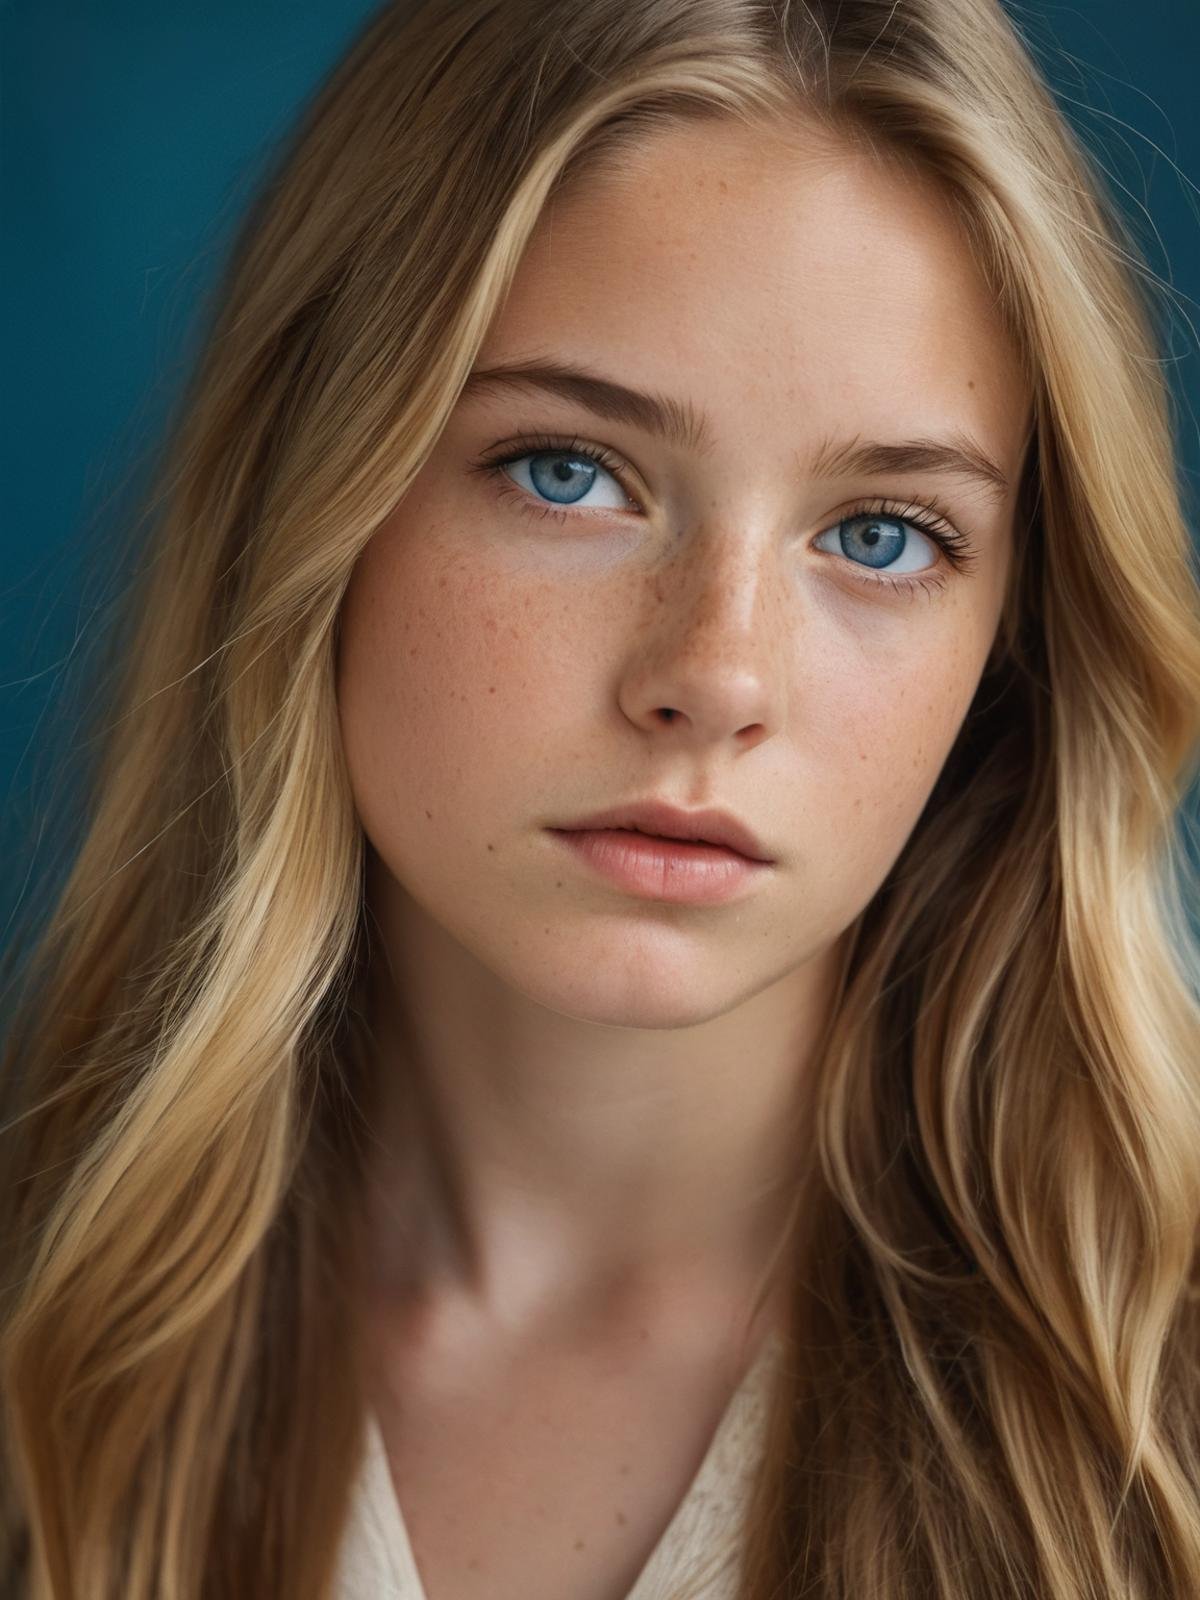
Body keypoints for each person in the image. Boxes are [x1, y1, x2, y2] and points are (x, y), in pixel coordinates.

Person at [2, 1, 1198, 1597]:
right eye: (571, 471)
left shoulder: (1157, 1422)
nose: (717, 674)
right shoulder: (43, 1326)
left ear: (1014, 645)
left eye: (884, 533)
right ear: (315, 500)